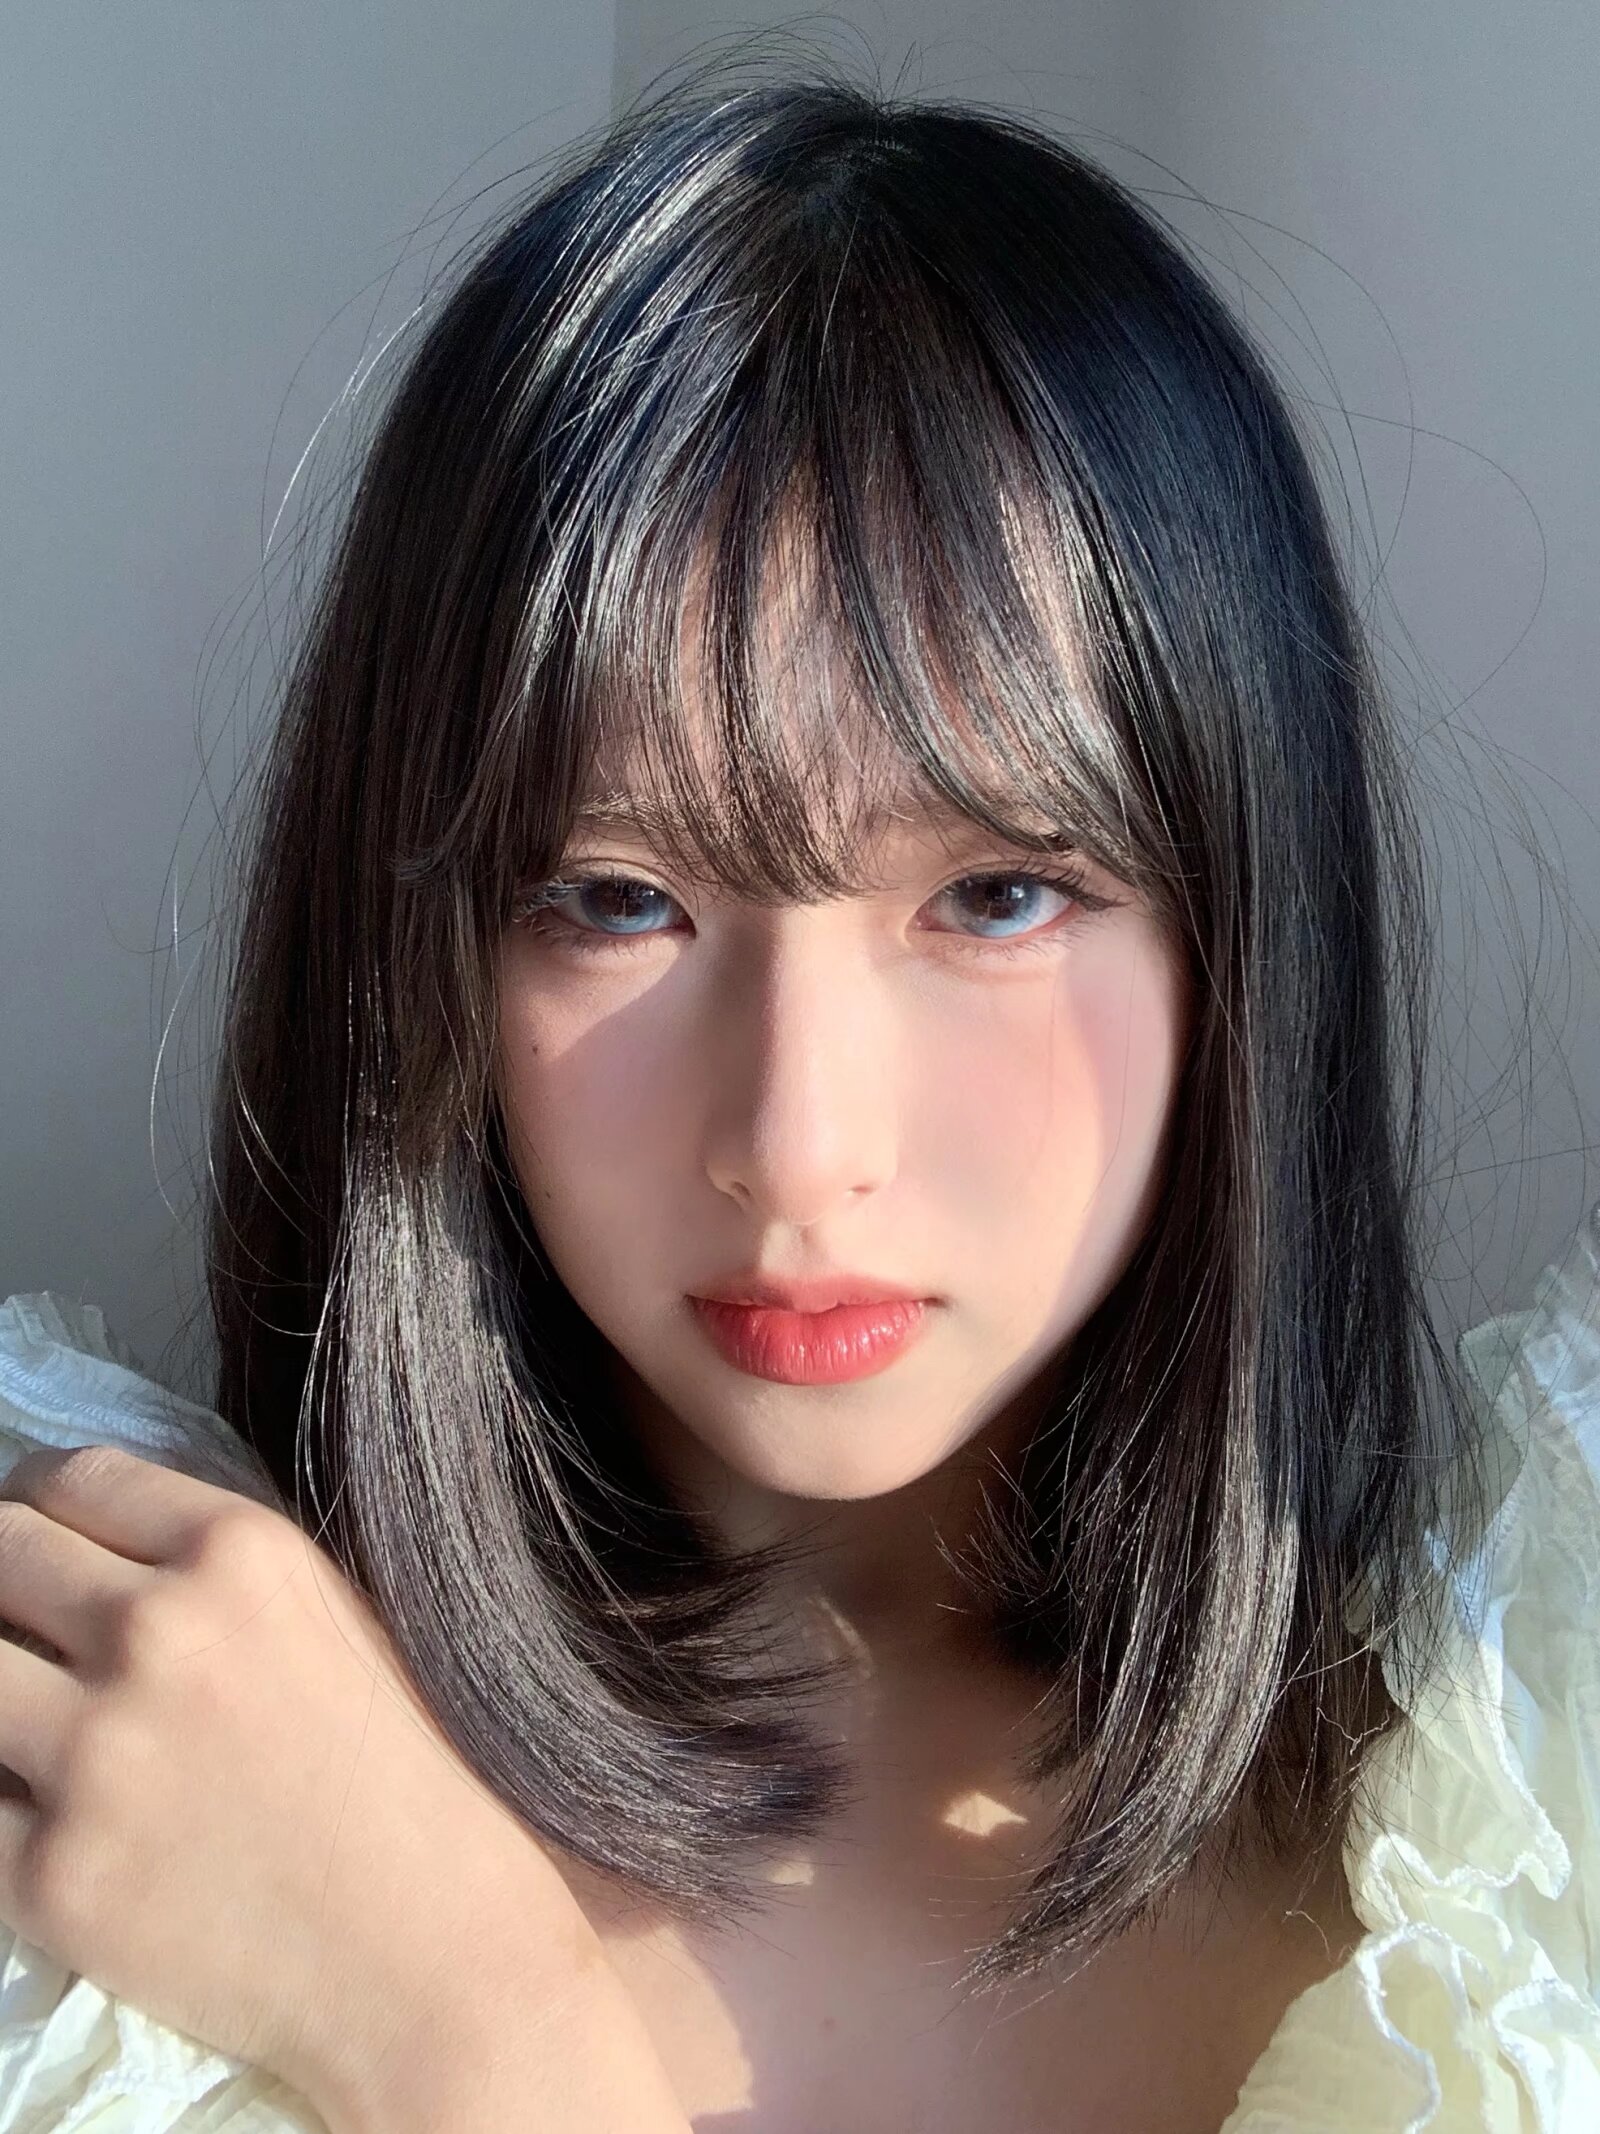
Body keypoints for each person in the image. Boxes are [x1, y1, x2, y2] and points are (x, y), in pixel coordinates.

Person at [0, 58, 1597, 2132]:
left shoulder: (1528, 1813)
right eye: (618, 898)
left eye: (995, 894)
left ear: (1240, 928)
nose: (797, 1145)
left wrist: (468, 2031)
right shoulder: (124, 1775)